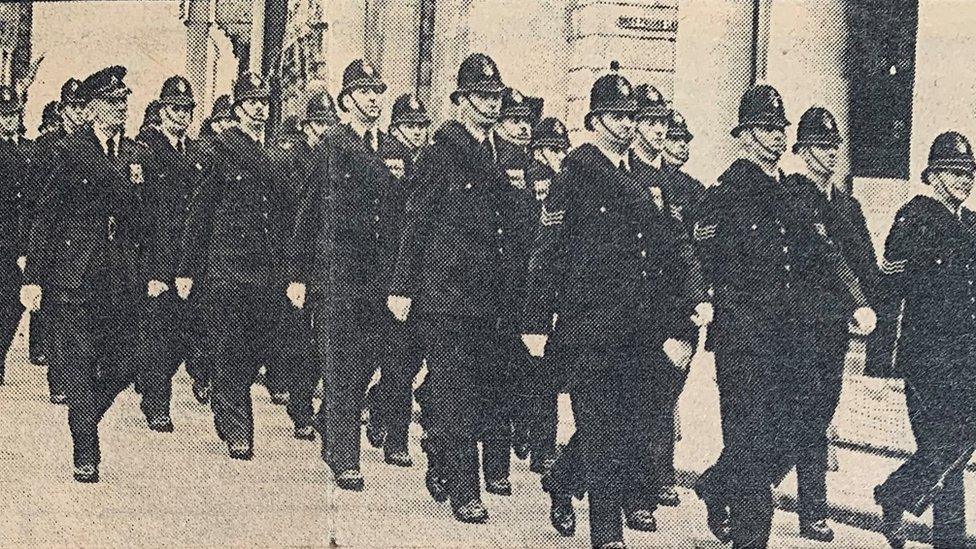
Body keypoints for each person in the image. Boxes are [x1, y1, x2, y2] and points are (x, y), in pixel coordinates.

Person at [692, 84, 875, 548]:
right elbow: (696, 262)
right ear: (744, 135)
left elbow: (826, 252)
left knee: (783, 437)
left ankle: (717, 486)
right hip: (742, 343)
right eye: (764, 129)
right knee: (753, 450)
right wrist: (700, 305)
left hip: (785, 343)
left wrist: (857, 302)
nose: (775, 138)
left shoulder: (791, 196)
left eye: (779, 129)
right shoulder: (725, 195)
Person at [520, 66, 652, 549]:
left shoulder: (638, 174)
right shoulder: (574, 173)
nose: (627, 124)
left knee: (620, 423)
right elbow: (547, 248)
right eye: (616, 116)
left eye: (631, 116)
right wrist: (535, 319)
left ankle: (561, 478)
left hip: (633, 328)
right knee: (601, 430)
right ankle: (608, 536)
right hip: (586, 325)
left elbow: (656, 248)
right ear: (595, 121)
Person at [386, 52, 518, 523]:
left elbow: (512, 226)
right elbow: (414, 223)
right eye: (481, 97)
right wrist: (402, 286)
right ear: (460, 102)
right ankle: (467, 490)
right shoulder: (439, 154)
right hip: (444, 297)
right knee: (459, 392)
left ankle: (438, 444)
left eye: (495, 97)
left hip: (490, 297)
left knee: (477, 391)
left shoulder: (503, 153)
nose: (490, 106)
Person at [21, 66, 142, 483]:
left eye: (124, 101)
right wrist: (33, 276)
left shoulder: (132, 153)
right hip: (75, 275)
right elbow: (46, 214)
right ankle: (85, 450)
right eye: (111, 102)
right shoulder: (71, 152)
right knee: (79, 362)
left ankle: (86, 410)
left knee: (125, 363)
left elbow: (146, 218)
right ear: (91, 110)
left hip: (119, 276)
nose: (120, 108)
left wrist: (156, 269)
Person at [771, 106, 879, 542]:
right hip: (798, 327)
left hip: (835, 331)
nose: (830, 154)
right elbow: (825, 254)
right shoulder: (796, 196)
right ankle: (811, 511)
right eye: (820, 146)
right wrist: (857, 301)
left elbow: (865, 264)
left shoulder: (847, 204)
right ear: (802, 150)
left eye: (834, 145)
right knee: (804, 419)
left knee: (816, 415)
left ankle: (727, 484)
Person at [286, 59, 390, 491]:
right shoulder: (333, 144)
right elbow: (308, 211)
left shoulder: (385, 145)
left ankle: (332, 423)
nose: (373, 100)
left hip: (376, 275)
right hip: (338, 274)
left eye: (376, 92)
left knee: (365, 363)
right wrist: (298, 273)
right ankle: (346, 457)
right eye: (364, 93)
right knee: (344, 365)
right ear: (347, 100)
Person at [872, 132, 976, 549]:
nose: (965, 180)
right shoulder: (913, 218)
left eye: (969, 172)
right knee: (941, 446)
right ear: (933, 175)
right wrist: (879, 360)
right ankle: (947, 540)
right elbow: (889, 287)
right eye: (954, 172)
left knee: (956, 444)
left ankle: (895, 492)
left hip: (967, 355)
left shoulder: (971, 223)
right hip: (927, 354)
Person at [178, 72, 279, 461]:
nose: (258, 108)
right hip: (227, 266)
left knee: (256, 345)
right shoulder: (222, 152)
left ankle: (223, 391)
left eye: (264, 102)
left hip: (263, 268)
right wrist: (187, 267)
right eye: (251, 102)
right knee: (234, 345)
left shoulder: (269, 154)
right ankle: (238, 426)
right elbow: (199, 213)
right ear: (237, 109)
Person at [627, 82, 708, 521]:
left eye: (664, 124)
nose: (658, 132)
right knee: (633, 402)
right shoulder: (621, 178)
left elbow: (691, 251)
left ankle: (650, 478)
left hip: (675, 314)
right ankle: (640, 492)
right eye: (651, 123)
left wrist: (697, 299)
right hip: (631, 310)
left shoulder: (683, 188)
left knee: (657, 398)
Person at [132, 76, 206, 433]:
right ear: (161, 111)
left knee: (185, 332)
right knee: (159, 331)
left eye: (186, 110)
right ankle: (157, 401)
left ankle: (151, 382)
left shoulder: (194, 153)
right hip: (157, 256)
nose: (181, 115)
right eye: (175, 109)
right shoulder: (145, 150)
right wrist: (148, 269)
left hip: (189, 258)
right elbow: (140, 214)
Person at [364, 92, 430, 467]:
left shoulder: (431, 161)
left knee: (406, 360)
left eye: (421, 126)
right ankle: (396, 439)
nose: (417, 133)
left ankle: (379, 407)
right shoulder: (386, 155)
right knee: (395, 358)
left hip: (424, 277)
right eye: (409, 127)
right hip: (391, 271)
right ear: (395, 128)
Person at [270, 89, 338, 441]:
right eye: (319, 124)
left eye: (330, 124)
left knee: (323, 339)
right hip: (292, 256)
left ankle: (322, 408)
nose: (324, 131)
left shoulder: (336, 158)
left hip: (325, 260)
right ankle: (300, 407)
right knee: (298, 336)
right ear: (307, 126)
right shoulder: (287, 160)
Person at [27, 78, 88, 400]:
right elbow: (34, 199)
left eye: (82, 108)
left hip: (81, 247)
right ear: (63, 110)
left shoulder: (93, 147)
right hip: (54, 240)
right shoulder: (48, 147)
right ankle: (59, 380)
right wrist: (29, 248)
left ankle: (72, 376)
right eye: (73, 108)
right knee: (55, 312)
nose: (78, 114)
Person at [518, 116, 570, 476]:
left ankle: (541, 444)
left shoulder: (563, 182)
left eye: (560, 150)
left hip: (549, 284)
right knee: (533, 370)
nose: (556, 156)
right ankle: (536, 441)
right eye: (551, 149)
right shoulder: (537, 179)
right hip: (528, 282)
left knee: (543, 372)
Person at [0, 86, 32, 387]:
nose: (9, 120)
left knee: (13, 301)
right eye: (4, 114)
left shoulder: (28, 148)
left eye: (13, 114)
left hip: (19, 236)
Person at [661, 109, 705, 232]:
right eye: (674, 139)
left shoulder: (692, 186)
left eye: (685, 140)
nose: (683, 145)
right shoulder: (649, 178)